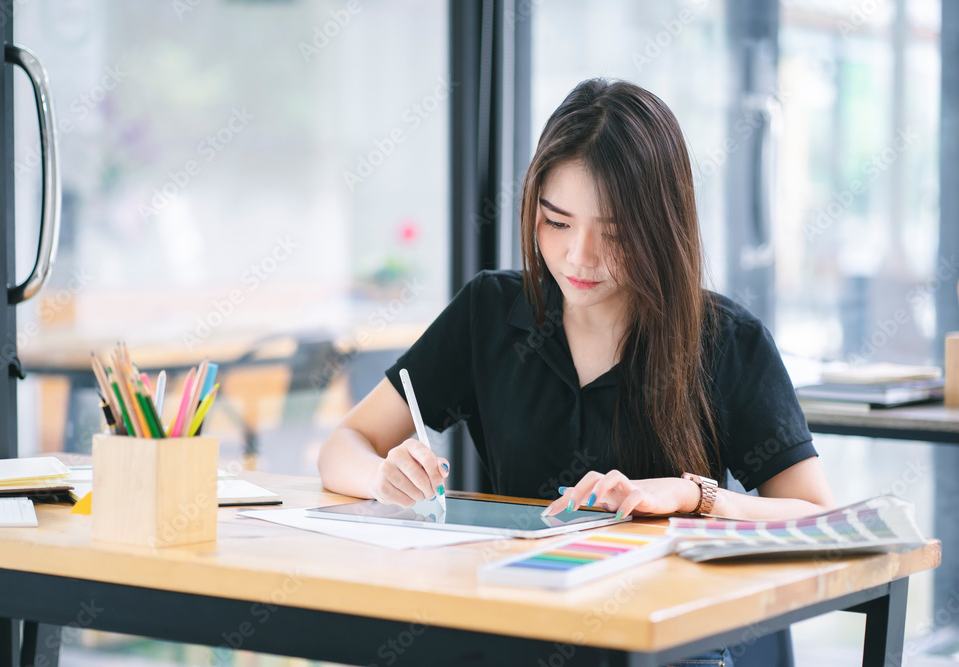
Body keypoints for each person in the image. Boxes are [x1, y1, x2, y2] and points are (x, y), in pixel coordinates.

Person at [319, 78, 836, 666]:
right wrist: (383, 478)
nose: (579, 256)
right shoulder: (489, 312)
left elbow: (818, 518)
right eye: (557, 223)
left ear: (663, 227)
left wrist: (694, 496)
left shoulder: (726, 341)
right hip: (515, 631)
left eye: (614, 233)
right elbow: (344, 444)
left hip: (661, 647)